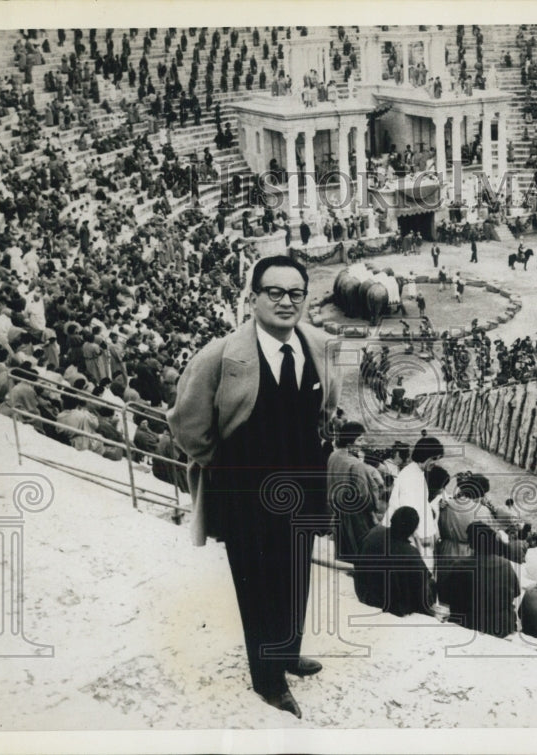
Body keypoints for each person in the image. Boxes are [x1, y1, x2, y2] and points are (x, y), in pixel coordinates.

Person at [167, 255, 342, 720]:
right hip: (244, 494)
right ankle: (268, 681)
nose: (286, 302)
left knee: (296, 575)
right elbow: (187, 425)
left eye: (295, 293)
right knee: (257, 586)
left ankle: (286, 652)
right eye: (275, 292)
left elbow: (326, 411)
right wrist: (226, 468)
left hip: (302, 486)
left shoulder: (319, 347)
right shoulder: (220, 355)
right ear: (254, 298)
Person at [437, 522, 521, 638]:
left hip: (471, 624)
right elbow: (516, 593)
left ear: (471, 543)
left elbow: (447, 598)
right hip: (503, 625)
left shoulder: (461, 565)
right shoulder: (506, 564)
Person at [354, 507, 437, 617]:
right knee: (430, 583)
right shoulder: (410, 553)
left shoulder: (373, 533)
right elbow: (421, 589)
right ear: (413, 529)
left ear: (392, 520)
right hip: (390, 604)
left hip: (364, 594)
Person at [381, 435, 445, 572]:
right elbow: (411, 512)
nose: (436, 463)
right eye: (434, 458)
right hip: (409, 534)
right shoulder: (411, 477)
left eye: (438, 459)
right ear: (424, 455)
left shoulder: (416, 471)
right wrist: (426, 538)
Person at [327, 421, 384, 565]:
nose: (362, 443)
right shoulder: (356, 464)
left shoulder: (333, 456)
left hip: (336, 513)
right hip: (355, 519)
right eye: (359, 439)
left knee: (343, 557)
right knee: (361, 556)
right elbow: (365, 497)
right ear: (350, 439)